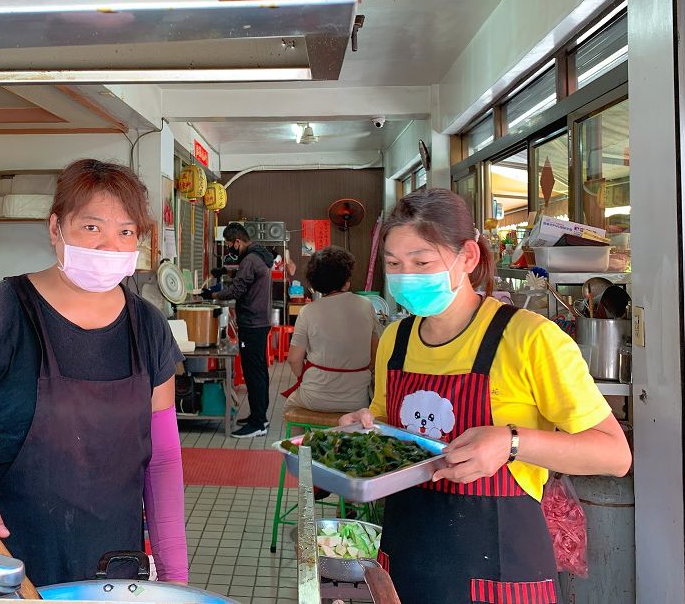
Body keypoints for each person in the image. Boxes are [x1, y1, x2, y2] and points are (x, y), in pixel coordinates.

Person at [0, 159, 187, 596]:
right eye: (91, 228)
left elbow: (162, 462)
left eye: (125, 232)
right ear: (56, 228)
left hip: (108, 578)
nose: (109, 246)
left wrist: (176, 583)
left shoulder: (148, 327)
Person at [340, 189, 631, 602]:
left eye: (422, 262)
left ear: (469, 258)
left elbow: (614, 455)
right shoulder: (395, 340)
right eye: (394, 264)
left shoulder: (529, 337)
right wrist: (364, 432)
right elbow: (390, 429)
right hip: (407, 552)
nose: (406, 275)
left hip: (501, 566)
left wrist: (511, 442)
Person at [281, 246, 378, 413]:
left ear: (315, 282)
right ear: (346, 279)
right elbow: (375, 354)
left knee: (290, 407)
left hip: (314, 397)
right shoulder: (366, 305)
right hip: (357, 401)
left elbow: (294, 359)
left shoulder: (308, 311)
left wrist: (302, 378)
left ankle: (304, 439)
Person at [203, 222, 274, 438]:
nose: (229, 251)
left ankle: (258, 423)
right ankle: (259, 416)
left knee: (253, 373)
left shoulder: (250, 260)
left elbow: (237, 289)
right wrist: (225, 270)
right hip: (260, 321)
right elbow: (243, 274)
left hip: (252, 323)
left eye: (229, 246)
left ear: (237, 242)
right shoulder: (258, 255)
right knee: (258, 371)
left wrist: (212, 295)